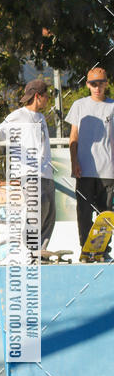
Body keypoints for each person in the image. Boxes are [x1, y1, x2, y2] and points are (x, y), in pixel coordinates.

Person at [0, 78, 55, 251]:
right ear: (38, 96)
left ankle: (41, 249)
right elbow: (1, 129)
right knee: (38, 204)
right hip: (29, 171)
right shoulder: (18, 115)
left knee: (49, 212)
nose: (48, 99)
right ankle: (30, 244)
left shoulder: (41, 117)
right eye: (46, 95)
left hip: (46, 172)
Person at [66, 67, 114, 259]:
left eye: (100, 83)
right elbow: (73, 136)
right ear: (87, 85)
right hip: (85, 168)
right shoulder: (79, 105)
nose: (97, 87)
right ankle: (85, 248)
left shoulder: (112, 106)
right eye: (93, 84)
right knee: (84, 211)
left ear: (106, 84)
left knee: (106, 213)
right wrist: (74, 161)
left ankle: (103, 249)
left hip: (108, 169)